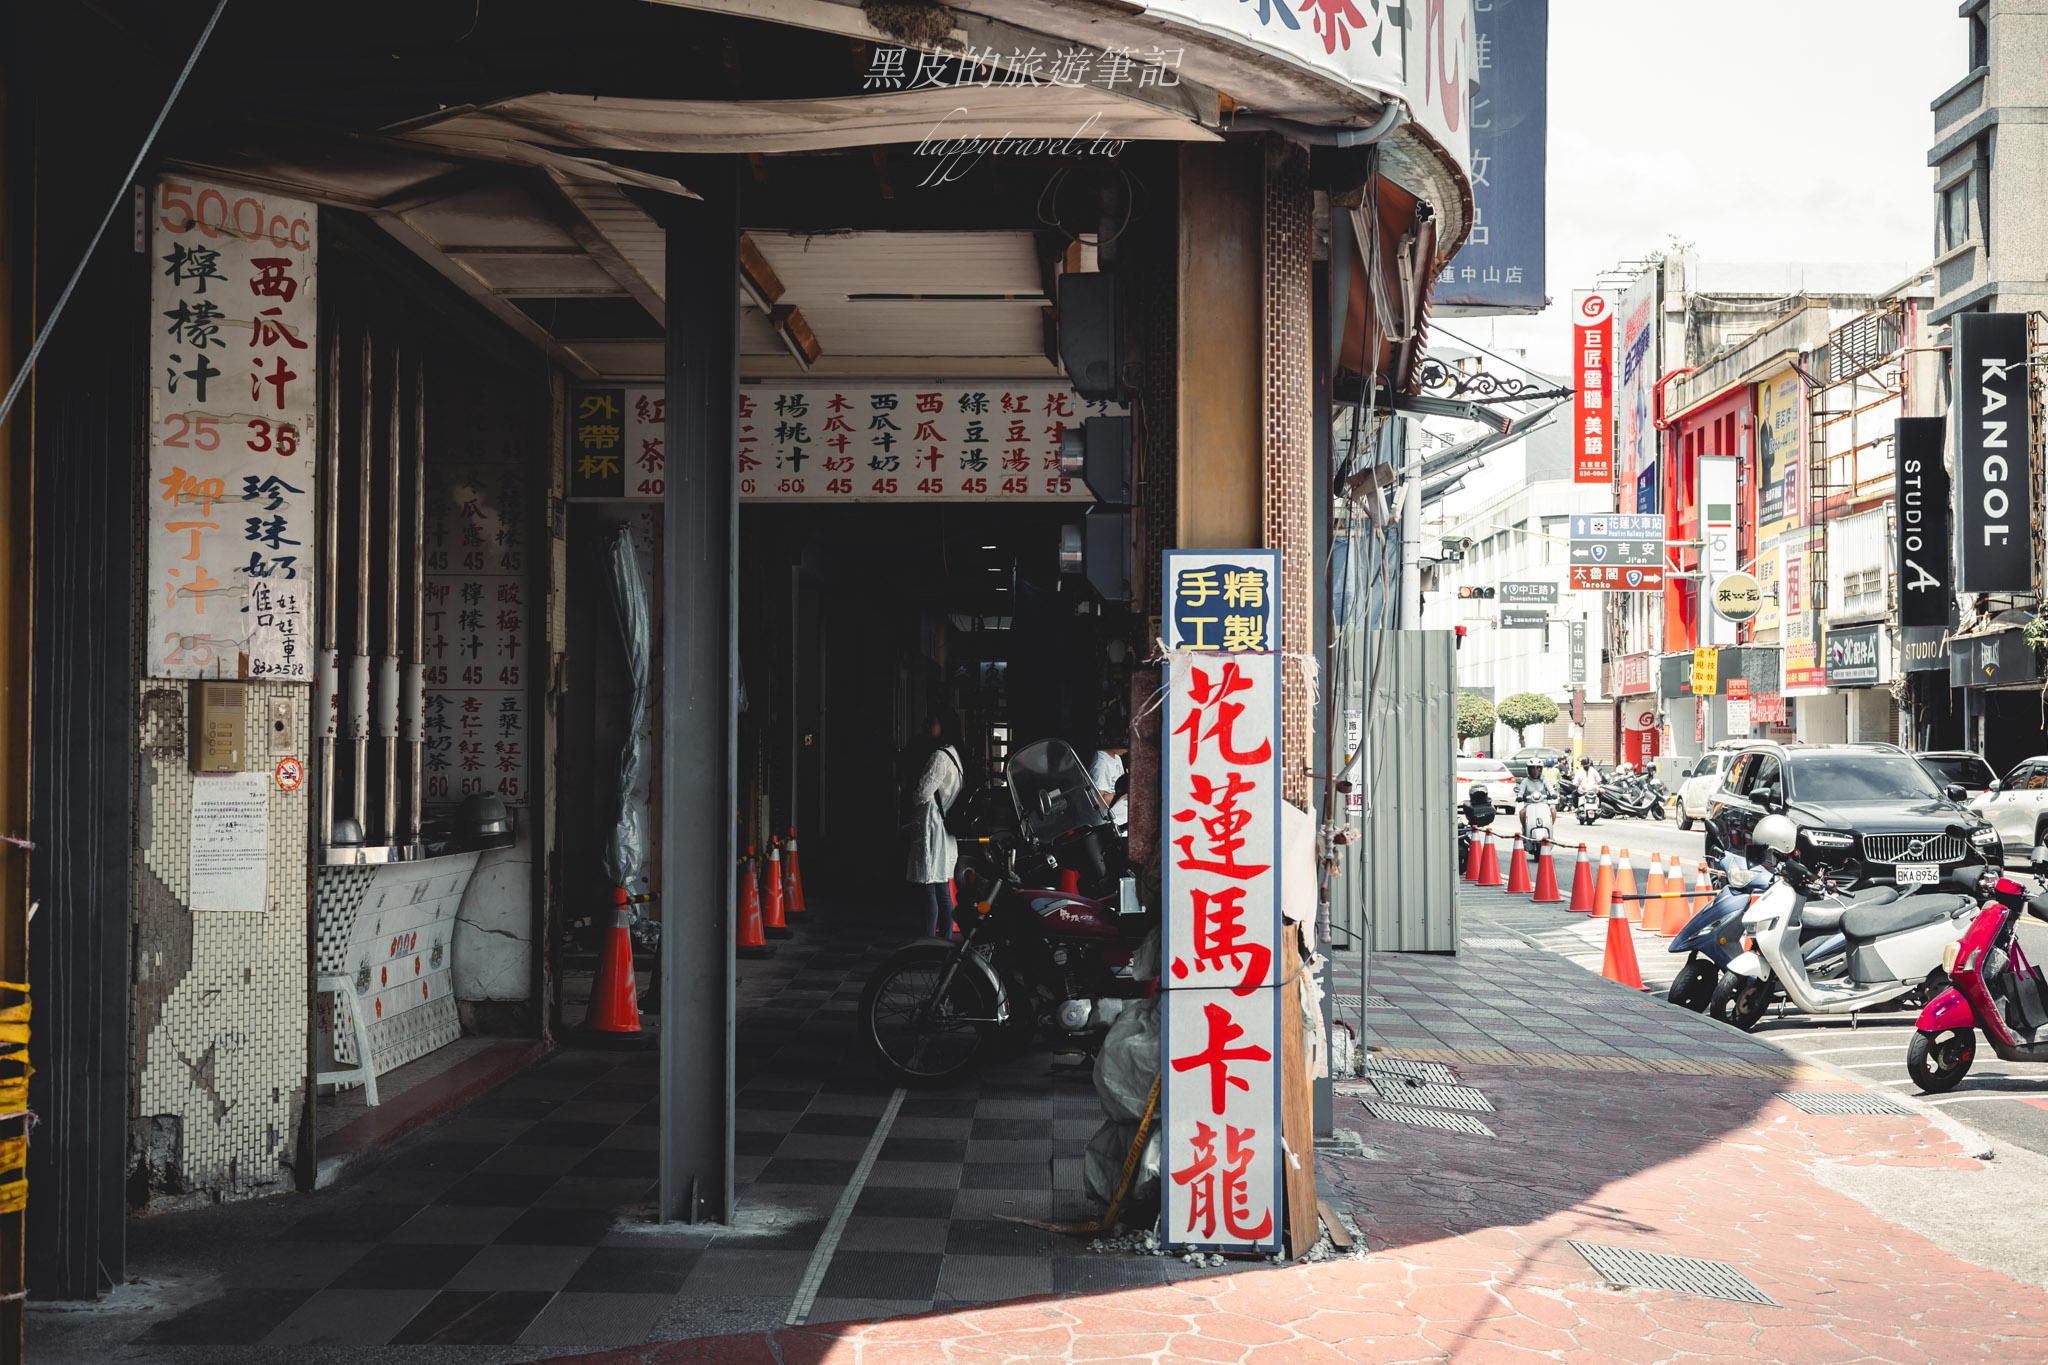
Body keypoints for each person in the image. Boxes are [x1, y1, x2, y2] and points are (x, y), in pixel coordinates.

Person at [903, 708, 964, 937]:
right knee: (942, 890)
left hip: (933, 828)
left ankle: (928, 942)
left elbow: (923, 792)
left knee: (930, 890)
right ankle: (945, 939)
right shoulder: (956, 754)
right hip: (945, 829)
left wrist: (913, 794)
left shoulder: (940, 756)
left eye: (935, 722)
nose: (931, 726)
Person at [1088, 742, 1129, 835]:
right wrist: (1125, 792)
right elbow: (1098, 802)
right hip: (1112, 824)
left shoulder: (1117, 757)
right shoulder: (1101, 761)